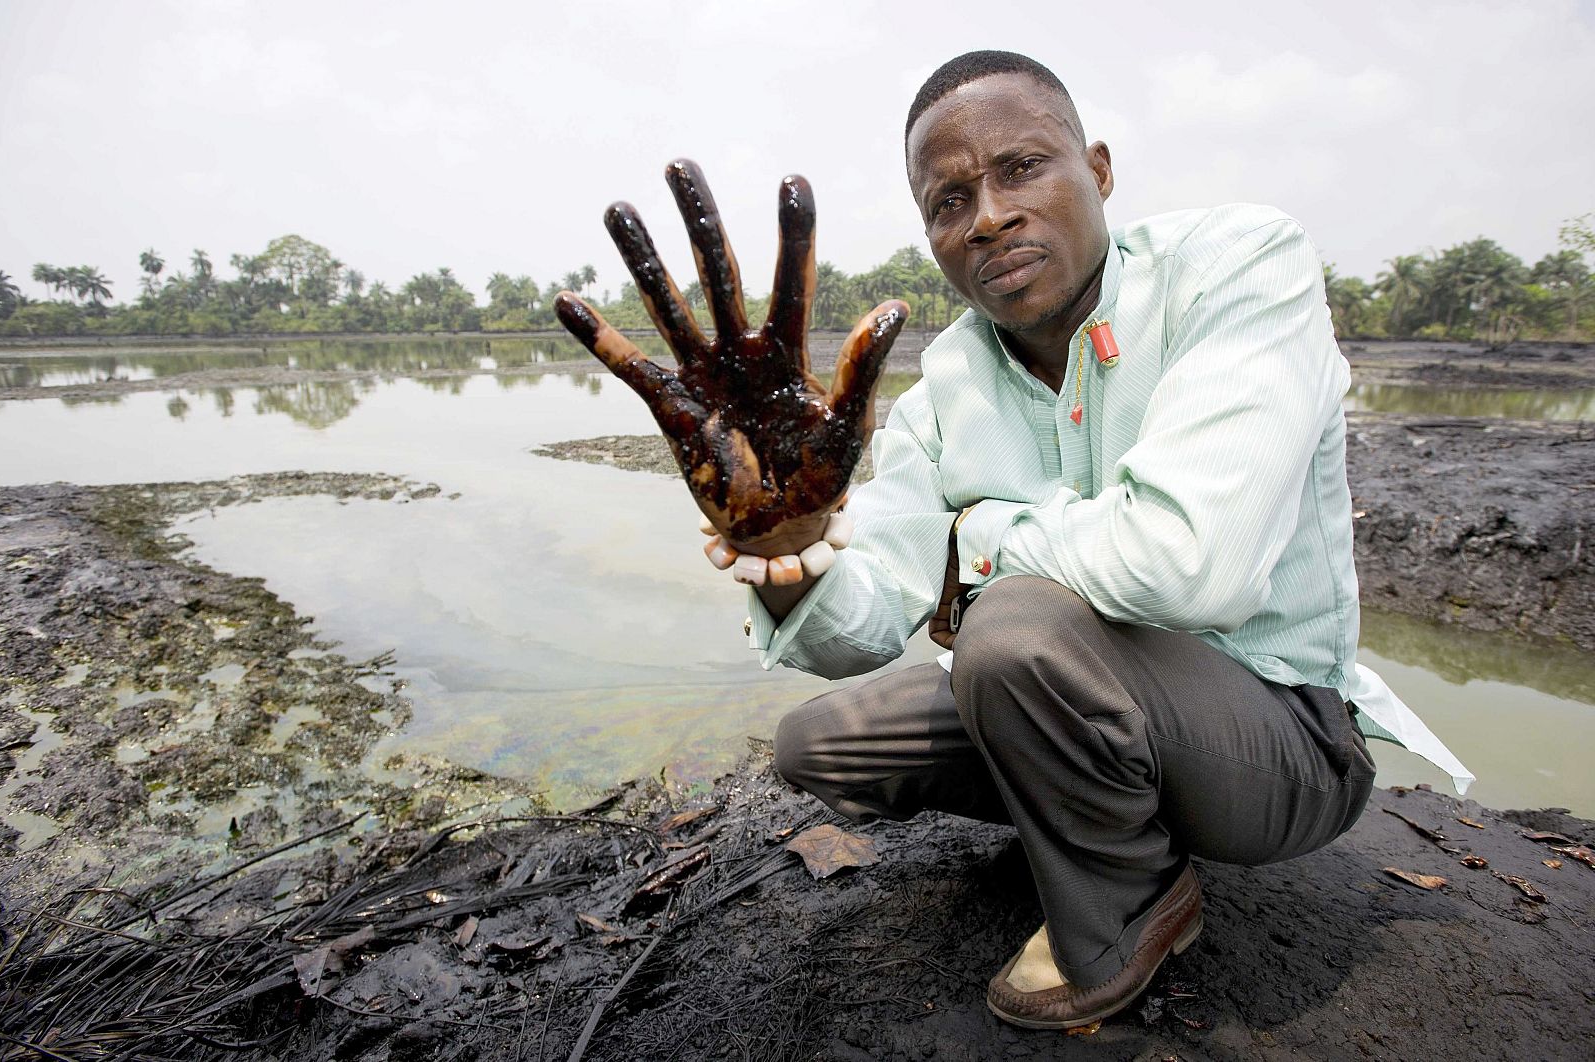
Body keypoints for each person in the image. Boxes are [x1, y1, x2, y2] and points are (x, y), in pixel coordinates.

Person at [555, 49, 1471, 1031]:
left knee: (1012, 629)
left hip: (1282, 742)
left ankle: (1133, 901)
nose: (986, 215)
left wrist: (977, 541)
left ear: (1100, 171)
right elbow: (860, 626)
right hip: (1086, 699)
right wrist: (787, 545)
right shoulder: (949, 380)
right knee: (821, 742)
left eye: (1020, 168)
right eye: (948, 200)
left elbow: (1190, 564)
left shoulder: (1234, 266)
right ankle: (1090, 813)